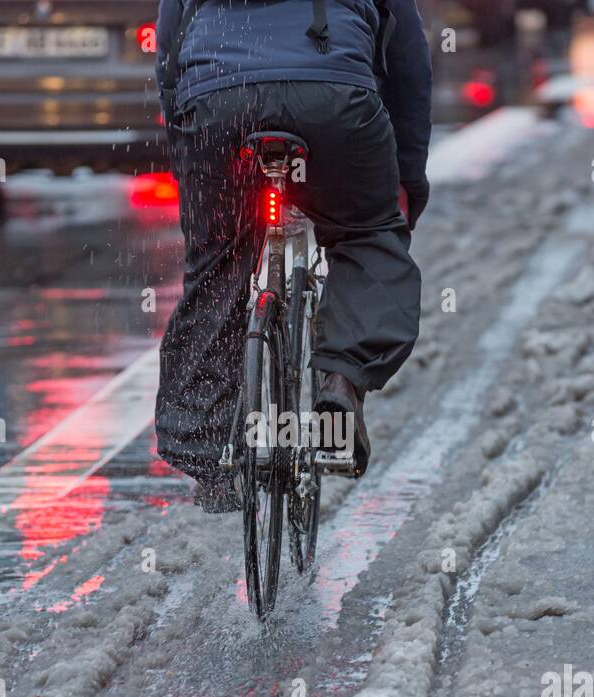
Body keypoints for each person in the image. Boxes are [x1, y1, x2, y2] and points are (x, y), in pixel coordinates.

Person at [154, 0, 432, 512]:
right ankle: (341, 384)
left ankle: (208, 447)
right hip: (333, 98)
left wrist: (191, 151)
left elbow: (168, 50)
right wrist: (408, 178)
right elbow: (409, 63)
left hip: (216, 100)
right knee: (364, 237)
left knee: (217, 264)